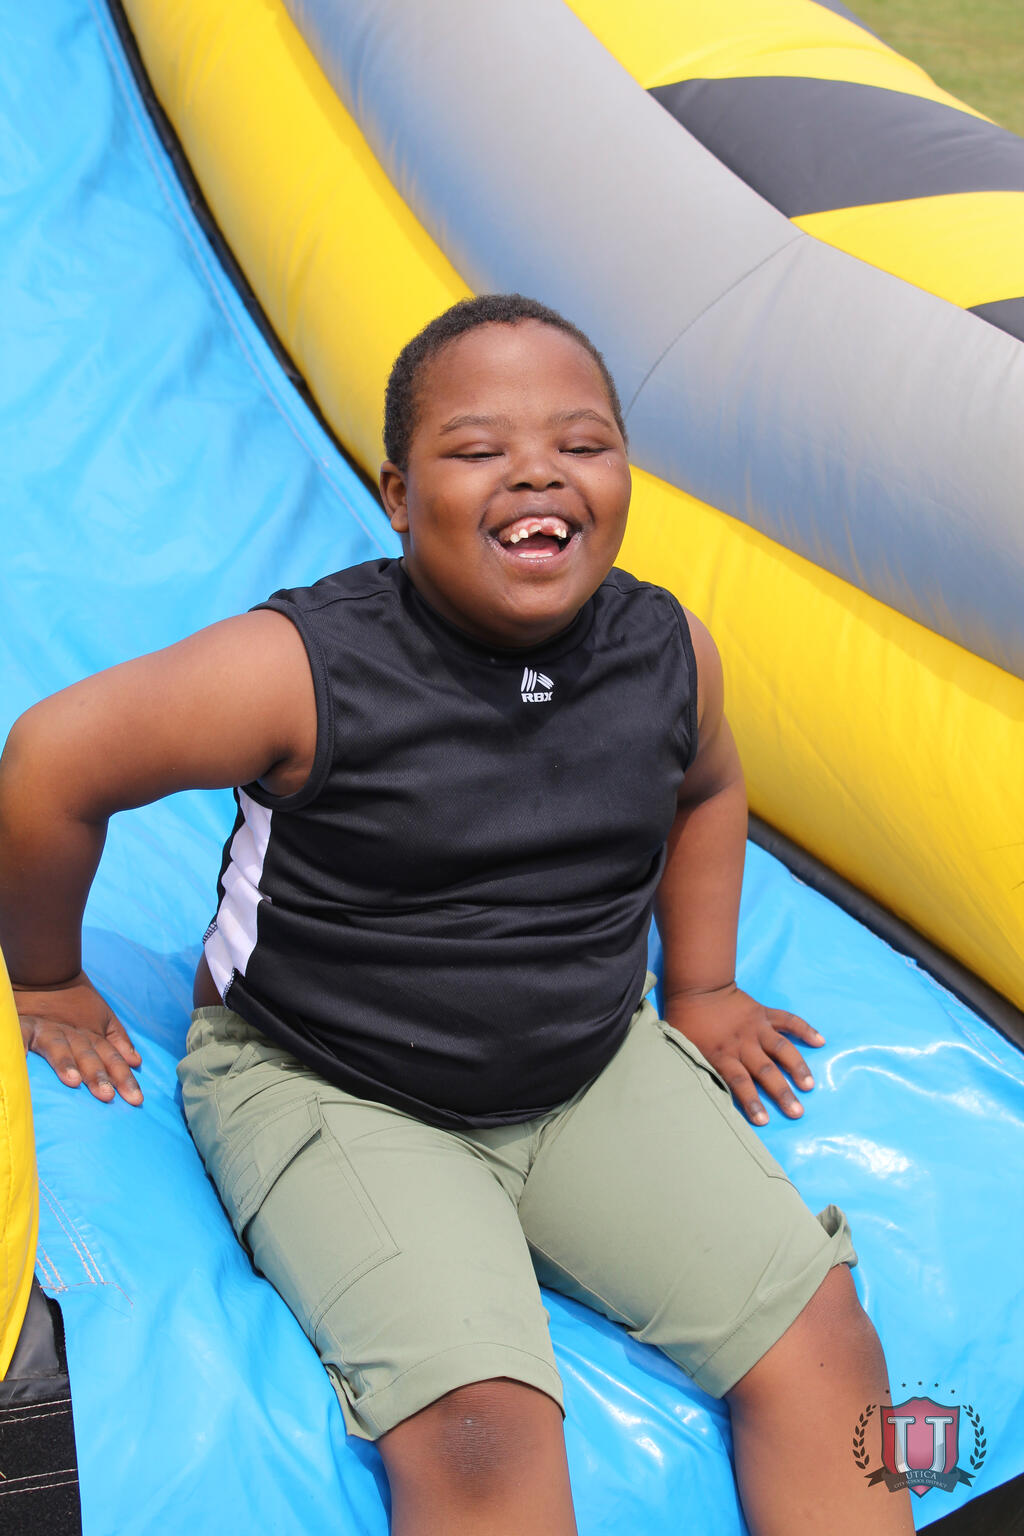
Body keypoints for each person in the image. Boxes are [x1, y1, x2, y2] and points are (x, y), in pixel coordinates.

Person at [1, 294, 912, 1536]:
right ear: (396, 492)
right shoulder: (305, 669)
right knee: (481, 1430)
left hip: (583, 1069)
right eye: (479, 448)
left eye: (582, 444)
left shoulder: (664, 653)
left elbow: (704, 785)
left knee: (824, 1338)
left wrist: (699, 987)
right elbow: (53, 761)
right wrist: (45, 975)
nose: (537, 471)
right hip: (331, 1080)